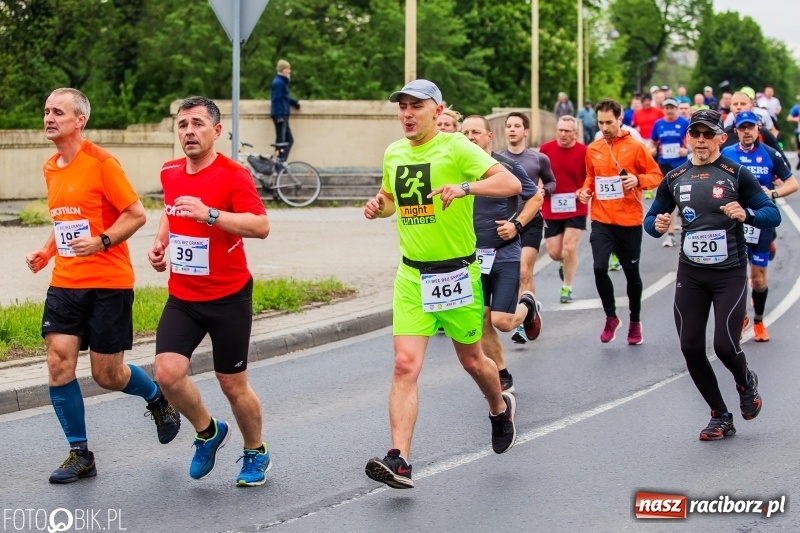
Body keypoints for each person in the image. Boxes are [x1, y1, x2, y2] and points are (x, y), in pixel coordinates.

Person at [363, 79, 521, 490]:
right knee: (404, 365)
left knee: (472, 361)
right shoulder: (394, 152)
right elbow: (392, 200)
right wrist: (378, 207)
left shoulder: (456, 147)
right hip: (412, 275)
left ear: (436, 110)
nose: (408, 114)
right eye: (402, 107)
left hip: (456, 274)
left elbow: (510, 184)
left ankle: (499, 407)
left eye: (416, 106)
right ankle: (399, 460)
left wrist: (465, 186)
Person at [26, 88, 180, 484]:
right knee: (59, 360)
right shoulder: (51, 167)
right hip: (66, 283)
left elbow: (136, 214)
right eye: (46, 111)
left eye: (57, 112)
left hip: (109, 282)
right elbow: (65, 220)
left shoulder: (102, 163)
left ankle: (157, 399)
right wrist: (47, 252)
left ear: (80, 120)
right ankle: (80, 453)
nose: (48, 118)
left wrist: (102, 241)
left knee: (107, 374)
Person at [148, 96, 272, 487]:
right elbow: (171, 212)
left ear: (216, 131)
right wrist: (160, 244)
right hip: (184, 296)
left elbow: (261, 225)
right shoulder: (169, 171)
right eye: (183, 124)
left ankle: (255, 451)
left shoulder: (233, 175)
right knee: (167, 374)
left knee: (232, 383)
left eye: (198, 124)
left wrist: (210, 214)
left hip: (229, 296)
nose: (189, 131)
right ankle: (208, 431)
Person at [644, 109, 780, 440]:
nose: (701, 141)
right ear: (688, 138)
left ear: (722, 137)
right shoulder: (675, 178)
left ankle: (745, 381)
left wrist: (746, 213)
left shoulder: (736, 174)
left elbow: (771, 213)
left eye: (709, 135)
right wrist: (657, 225)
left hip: (729, 273)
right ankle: (720, 415)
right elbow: (651, 220)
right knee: (690, 346)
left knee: (723, 345)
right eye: (696, 134)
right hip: (690, 273)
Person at [461, 115, 542, 392]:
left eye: (475, 132)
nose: (470, 137)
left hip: (504, 253)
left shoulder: (506, 167)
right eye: (465, 133)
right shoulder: (455, 170)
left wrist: (517, 224)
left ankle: (528, 307)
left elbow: (536, 197)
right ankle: (503, 373)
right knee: (481, 319)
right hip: (472, 258)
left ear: (488, 136)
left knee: (502, 321)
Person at [577, 98, 662, 345]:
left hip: (629, 221)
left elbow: (656, 175)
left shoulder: (635, 147)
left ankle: (635, 321)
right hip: (602, 219)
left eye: (609, 122)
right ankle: (611, 316)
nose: (604, 127)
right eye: (601, 122)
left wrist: (638, 180)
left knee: (631, 273)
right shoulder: (593, 149)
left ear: (620, 118)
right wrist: (584, 192)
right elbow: (590, 179)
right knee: (599, 268)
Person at [721, 111, 797, 342]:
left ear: (758, 129)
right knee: (737, 277)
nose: (746, 132)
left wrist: (773, 192)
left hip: (760, 223)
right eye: (742, 128)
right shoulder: (726, 154)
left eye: (750, 127)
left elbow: (793, 184)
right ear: (736, 131)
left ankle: (759, 321)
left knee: (758, 279)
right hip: (734, 223)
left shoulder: (770, 154)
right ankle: (742, 316)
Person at [498, 111, 556, 344]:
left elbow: (551, 181)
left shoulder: (538, 159)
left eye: (516, 126)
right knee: (510, 273)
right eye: (508, 126)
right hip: (506, 222)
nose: (512, 129)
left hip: (531, 220)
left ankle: (524, 322)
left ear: (526, 131)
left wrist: (544, 191)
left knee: (524, 271)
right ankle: (529, 306)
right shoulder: (496, 159)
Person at [540, 115, 588, 303]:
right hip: (551, 206)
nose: (563, 134)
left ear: (575, 133)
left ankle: (566, 288)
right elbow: (538, 174)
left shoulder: (584, 151)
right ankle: (564, 264)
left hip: (576, 206)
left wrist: (584, 191)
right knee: (554, 252)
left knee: (569, 247)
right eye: (560, 130)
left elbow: (589, 177)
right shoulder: (546, 150)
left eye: (567, 131)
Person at [648, 98, 690, 247]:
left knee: (682, 197)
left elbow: (692, 140)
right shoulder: (658, 124)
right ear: (663, 109)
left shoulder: (684, 123)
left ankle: (685, 224)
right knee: (668, 198)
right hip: (664, 164)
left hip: (681, 164)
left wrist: (687, 150)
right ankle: (670, 235)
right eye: (667, 107)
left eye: (672, 107)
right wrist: (652, 150)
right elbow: (652, 142)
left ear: (676, 108)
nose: (669, 110)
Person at [270, 59, 300, 161]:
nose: (289, 71)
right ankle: (278, 163)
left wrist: (294, 103)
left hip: (283, 114)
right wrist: (278, 116)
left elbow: (284, 98)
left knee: (287, 140)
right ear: (282, 70)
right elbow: (276, 99)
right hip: (280, 115)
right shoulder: (278, 83)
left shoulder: (281, 82)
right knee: (281, 141)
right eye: (288, 69)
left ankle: (280, 162)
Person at [789, 101, 800, 170]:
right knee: (799, 149)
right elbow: (789, 118)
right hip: (799, 131)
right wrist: (796, 119)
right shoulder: (797, 108)